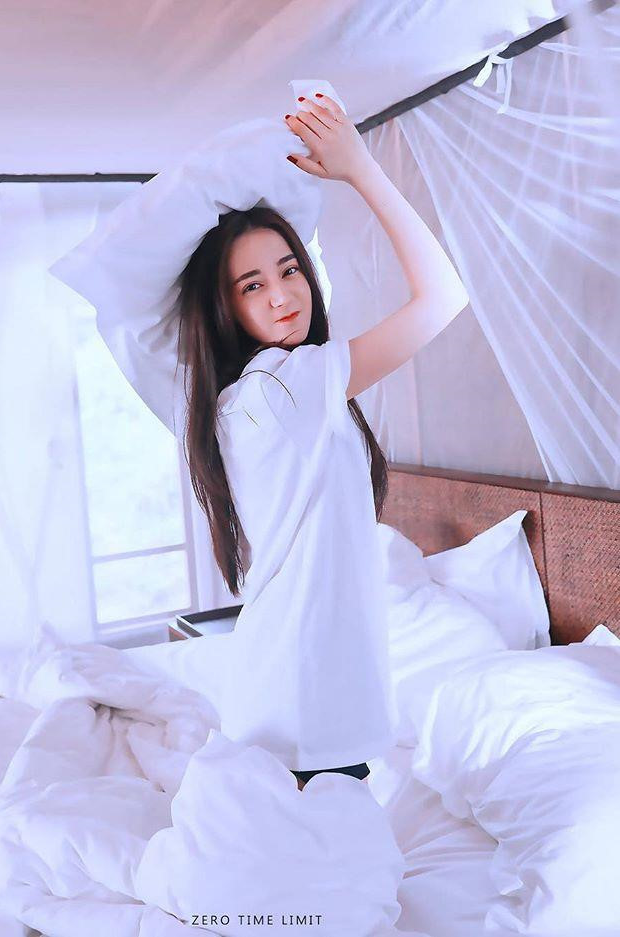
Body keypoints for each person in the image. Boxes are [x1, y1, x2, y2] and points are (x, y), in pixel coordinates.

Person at [175, 93, 469, 791]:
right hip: (308, 698)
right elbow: (444, 297)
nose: (283, 295)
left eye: (289, 269)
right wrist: (362, 170)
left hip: (290, 690)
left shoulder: (248, 394)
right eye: (252, 285)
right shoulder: (286, 386)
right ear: (226, 308)